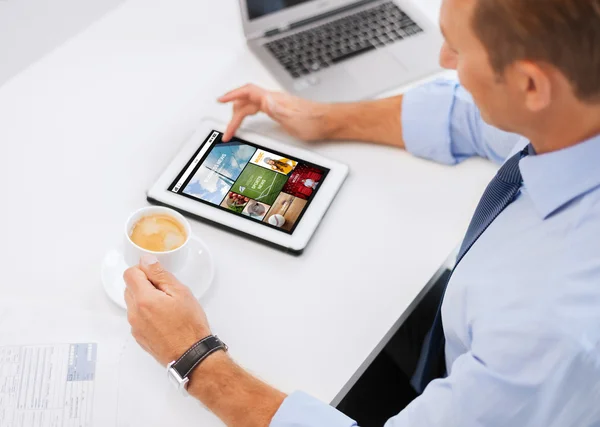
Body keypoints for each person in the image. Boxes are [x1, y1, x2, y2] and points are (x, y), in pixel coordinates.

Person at [123, 0, 600, 425]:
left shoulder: (550, 330)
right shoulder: (575, 113)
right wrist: (324, 118)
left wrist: (195, 360)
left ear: (531, 84)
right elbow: (469, 115)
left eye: (458, 49)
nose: (442, 61)